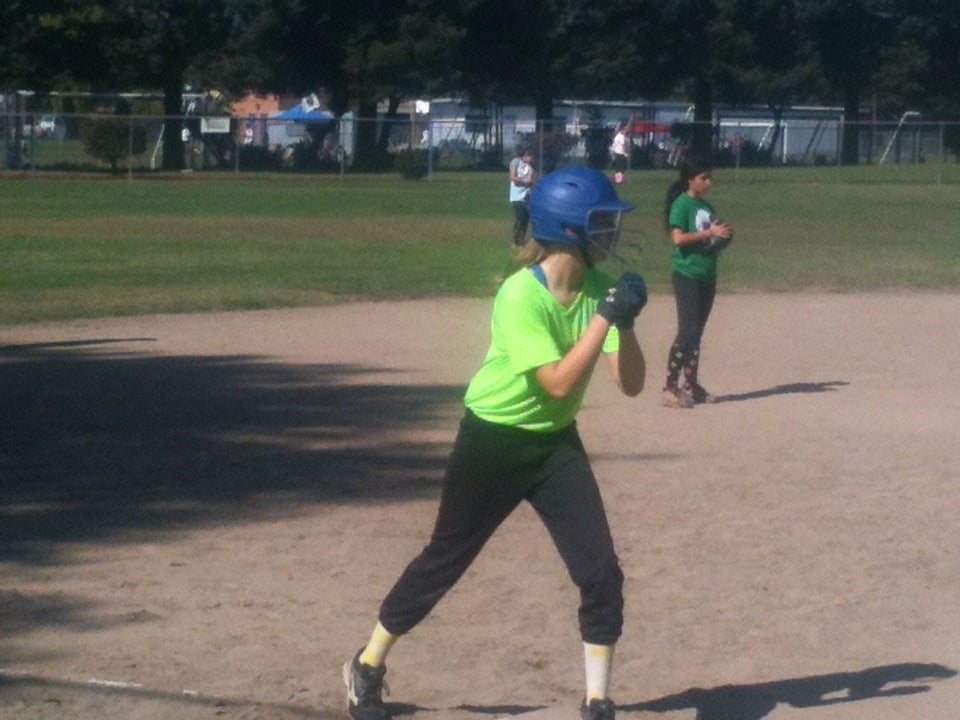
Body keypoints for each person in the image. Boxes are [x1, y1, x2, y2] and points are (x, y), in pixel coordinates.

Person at [343, 167, 649, 720]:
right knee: (446, 559)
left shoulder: (599, 292)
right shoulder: (518, 296)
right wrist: (604, 318)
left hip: (555, 446)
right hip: (492, 442)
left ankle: (598, 699)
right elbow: (556, 381)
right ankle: (367, 664)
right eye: (603, 222)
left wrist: (622, 323)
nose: (613, 233)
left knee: (599, 570)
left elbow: (631, 384)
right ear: (569, 228)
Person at [661, 156, 733, 409]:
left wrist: (721, 236)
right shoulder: (681, 205)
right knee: (687, 332)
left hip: (707, 274)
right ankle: (670, 387)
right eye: (703, 178)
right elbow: (678, 239)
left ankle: (691, 385)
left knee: (696, 334)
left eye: (709, 177)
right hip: (687, 274)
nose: (708, 182)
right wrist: (708, 233)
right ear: (690, 180)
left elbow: (711, 237)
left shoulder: (706, 206)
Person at [508, 147, 537, 246]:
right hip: (516, 196)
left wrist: (531, 185)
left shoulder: (531, 166)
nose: (532, 161)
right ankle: (516, 241)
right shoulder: (516, 162)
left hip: (527, 195)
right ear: (526, 156)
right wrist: (524, 181)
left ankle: (522, 240)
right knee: (520, 218)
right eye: (531, 158)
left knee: (526, 218)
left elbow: (533, 180)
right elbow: (512, 177)